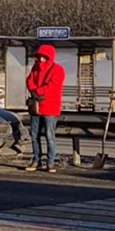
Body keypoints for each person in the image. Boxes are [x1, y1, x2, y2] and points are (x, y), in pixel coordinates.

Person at [25, 43, 65, 172]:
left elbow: (53, 85)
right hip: (36, 106)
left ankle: (51, 161)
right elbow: (29, 81)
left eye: (44, 57)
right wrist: (35, 93)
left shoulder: (58, 69)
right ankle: (36, 159)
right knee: (34, 135)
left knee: (49, 135)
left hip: (51, 107)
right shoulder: (35, 68)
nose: (41, 59)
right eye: (40, 56)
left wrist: (38, 92)